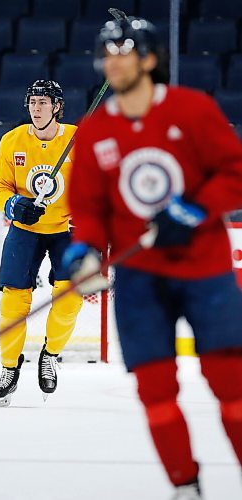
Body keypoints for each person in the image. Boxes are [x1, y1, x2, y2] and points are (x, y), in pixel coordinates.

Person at [63, 17, 242, 500]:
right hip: (140, 276)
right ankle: (185, 485)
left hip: (205, 269)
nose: (114, 61)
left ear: (149, 58)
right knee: (155, 390)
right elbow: (89, 209)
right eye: (107, 53)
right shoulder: (96, 127)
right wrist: (84, 250)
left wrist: (197, 207)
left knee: (232, 383)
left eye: (125, 50)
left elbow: (234, 171)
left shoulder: (192, 110)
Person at [0, 80, 83, 407]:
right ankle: (9, 369)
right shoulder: (12, 140)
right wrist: (13, 204)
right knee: (13, 300)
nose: (36, 108)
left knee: (70, 299)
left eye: (43, 102)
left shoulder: (76, 139)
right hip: (25, 229)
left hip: (66, 228)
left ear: (57, 106)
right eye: (32, 102)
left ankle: (50, 354)